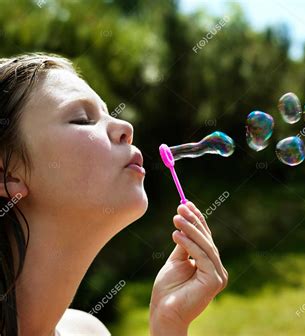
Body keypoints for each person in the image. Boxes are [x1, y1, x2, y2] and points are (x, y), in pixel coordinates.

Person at [0, 53, 228, 335]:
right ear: (7, 175)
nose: (126, 128)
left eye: (108, 113)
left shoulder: (89, 330)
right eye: (82, 119)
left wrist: (170, 323)